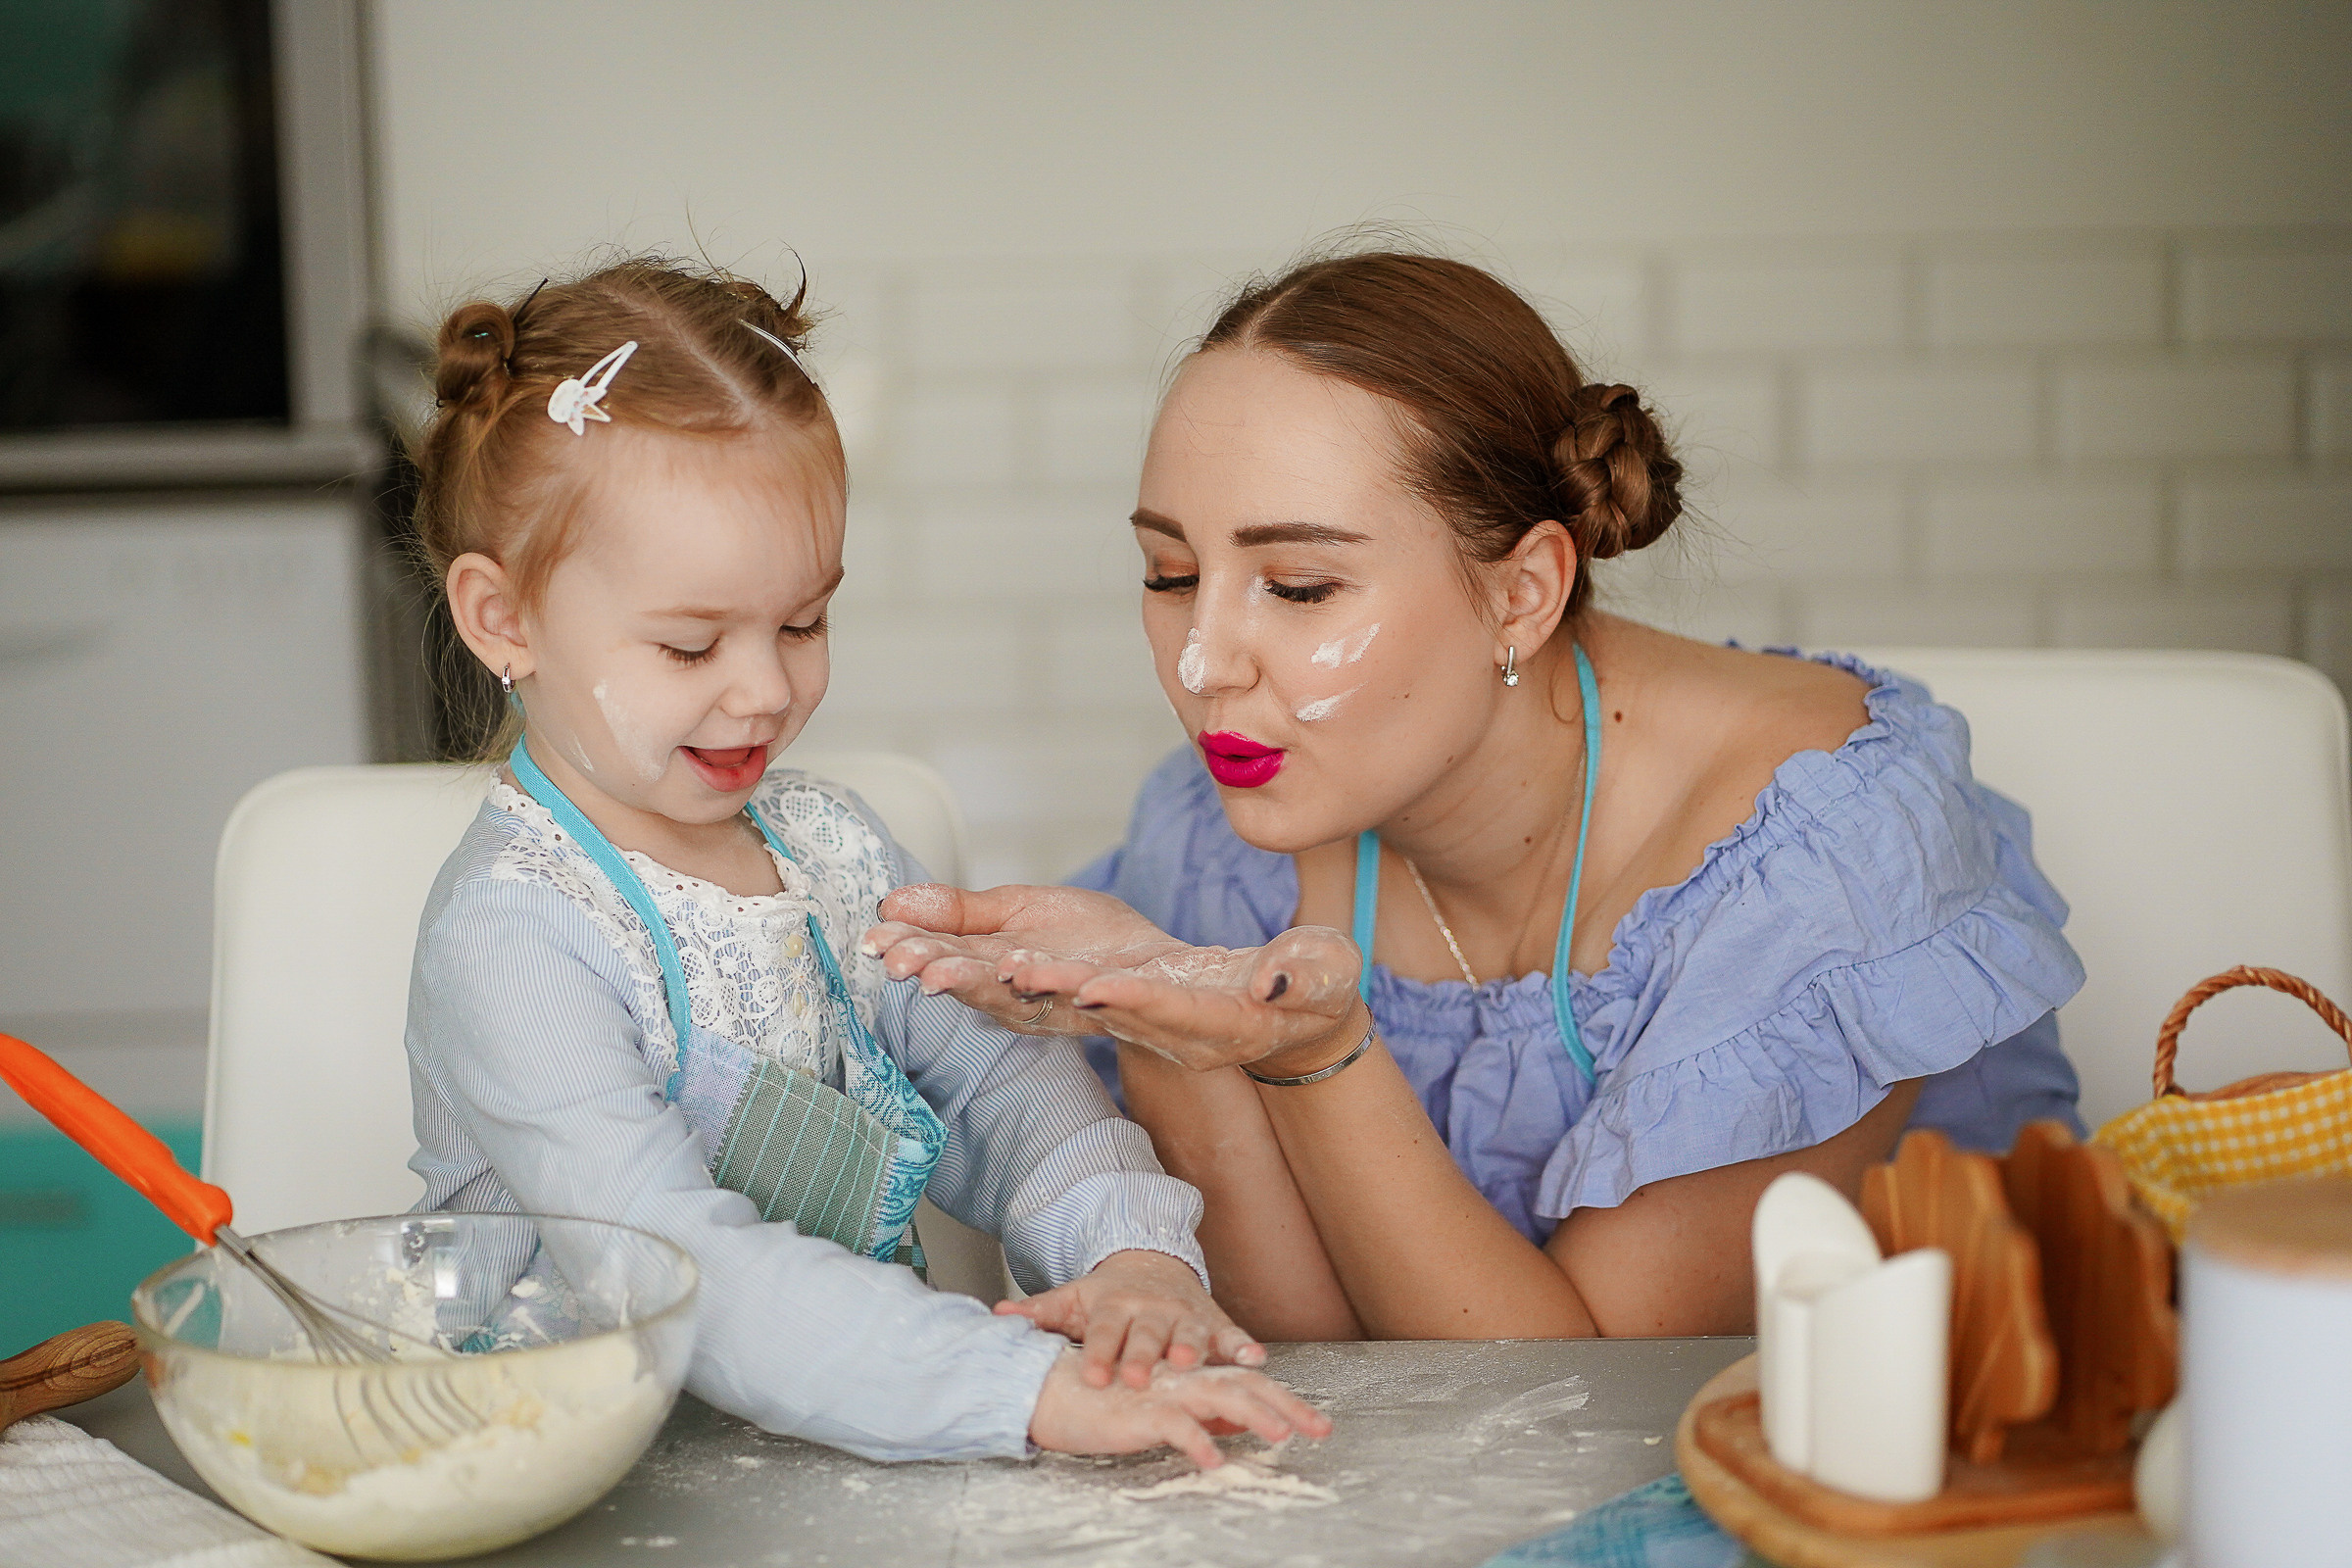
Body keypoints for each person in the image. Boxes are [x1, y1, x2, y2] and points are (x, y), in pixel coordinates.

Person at [864, 251, 2086, 1344]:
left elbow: (1580, 1400)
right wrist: (1165, 1023)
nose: (1204, 662)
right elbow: (1329, 1348)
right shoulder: (1223, 829)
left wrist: (1322, 1051)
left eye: (1295, 586)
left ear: (1523, 594)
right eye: (1171, 572)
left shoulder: (1822, 850)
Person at [400, 257, 1330, 1464]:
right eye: (690, 646)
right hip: (552, 1479)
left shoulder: (829, 850)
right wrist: (1026, 1392)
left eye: (803, 621)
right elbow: (677, 1267)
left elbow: (1006, 1092)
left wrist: (1130, 1260)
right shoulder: (514, 933)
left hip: (825, 1450)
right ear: (502, 619)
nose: (768, 687)